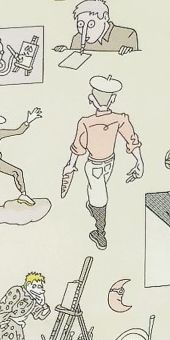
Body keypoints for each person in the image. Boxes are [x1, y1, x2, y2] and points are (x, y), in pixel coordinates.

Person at [60, 74, 143, 250]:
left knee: (98, 196)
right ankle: (98, 223)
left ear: (91, 98)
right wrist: (139, 161)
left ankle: (99, 230)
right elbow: (132, 139)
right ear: (113, 99)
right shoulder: (119, 119)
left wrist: (71, 164)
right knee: (99, 196)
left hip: (98, 165)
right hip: (106, 164)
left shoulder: (87, 122)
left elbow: (78, 147)